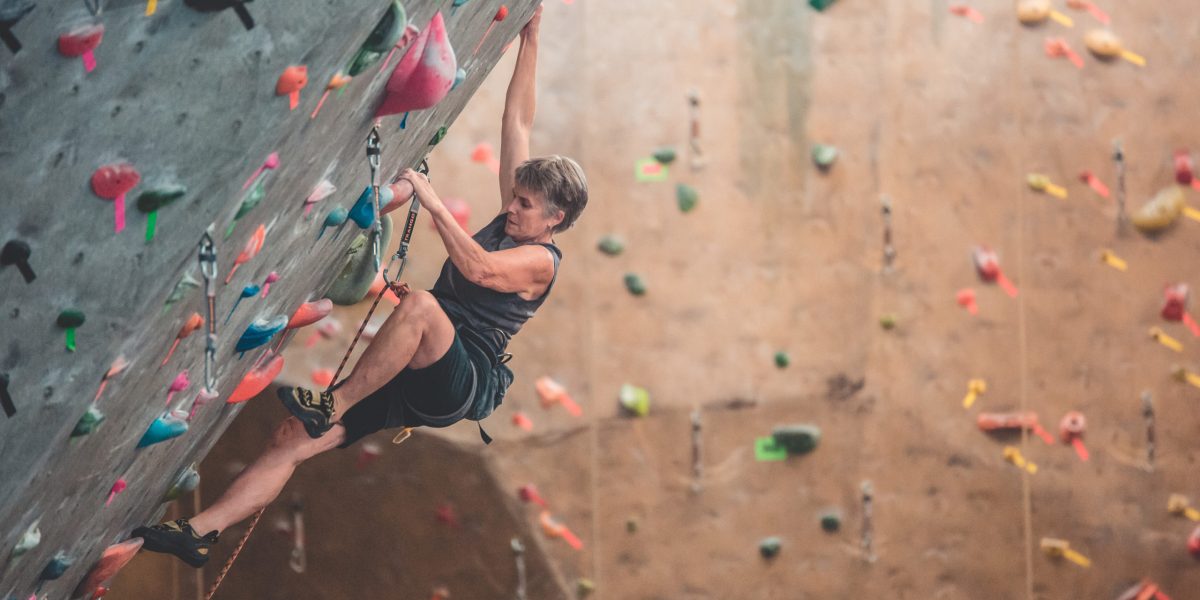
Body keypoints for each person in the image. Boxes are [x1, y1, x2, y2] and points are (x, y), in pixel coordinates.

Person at [133, 5, 587, 568]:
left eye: (525, 205)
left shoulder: (541, 260)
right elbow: (516, 123)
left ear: (556, 219)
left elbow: (481, 271)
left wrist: (430, 196)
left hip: (459, 377)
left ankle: (335, 401)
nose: (512, 207)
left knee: (420, 307)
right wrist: (531, 38)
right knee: (291, 438)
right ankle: (199, 532)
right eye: (515, 198)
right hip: (414, 365)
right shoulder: (518, 213)